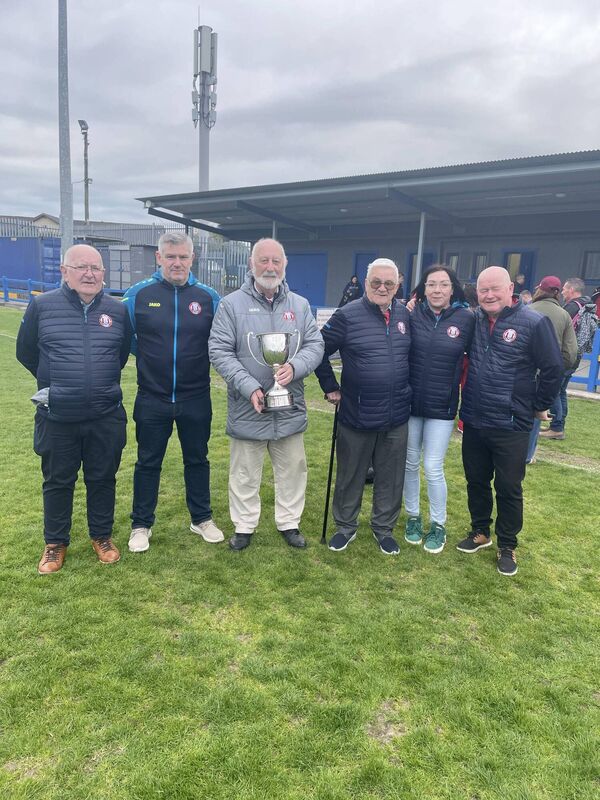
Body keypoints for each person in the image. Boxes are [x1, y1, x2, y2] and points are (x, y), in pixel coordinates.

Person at [16, 244, 132, 574]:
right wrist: (59, 384)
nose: (89, 273)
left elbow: (120, 356)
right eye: (81, 267)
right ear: (64, 271)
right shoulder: (42, 305)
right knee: (57, 480)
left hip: (105, 415)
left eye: (95, 268)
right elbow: (26, 353)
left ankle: (102, 536)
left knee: (102, 478)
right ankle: (55, 544)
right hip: (58, 417)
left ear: (103, 274)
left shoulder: (118, 311)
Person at [208, 238, 324, 550]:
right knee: (244, 472)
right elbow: (219, 351)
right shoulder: (230, 305)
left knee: (293, 470)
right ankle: (244, 526)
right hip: (249, 407)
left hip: (289, 406)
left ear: (285, 267)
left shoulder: (299, 305)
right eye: (264, 261)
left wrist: (295, 367)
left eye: (276, 262)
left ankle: (289, 522)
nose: (270, 267)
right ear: (251, 264)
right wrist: (248, 386)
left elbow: (316, 345)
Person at [122, 231, 223, 553]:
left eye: (183, 257)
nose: (177, 263)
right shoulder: (138, 295)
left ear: (192, 259)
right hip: (152, 397)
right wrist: (154, 361)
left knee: (198, 459)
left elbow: (218, 342)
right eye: (171, 257)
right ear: (159, 258)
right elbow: (129, 340)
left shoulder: (209, 297)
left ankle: (202, 518)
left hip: (196, 397)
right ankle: (141, 525)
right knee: (148, 462)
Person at [457, 266, 562, 576]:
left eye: (494, 289)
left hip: (511, 423)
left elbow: (554, 367)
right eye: (483, 290)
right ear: (476, 293)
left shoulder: (533, 321)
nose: (489, 295)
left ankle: (507, 544)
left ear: (510, 290)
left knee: (508, 486)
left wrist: (538, 405)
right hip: (475, 418)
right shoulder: (473, 320)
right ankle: (480, 532)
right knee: (476, 480)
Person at [315, 258, 411, 555]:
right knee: (351, 473)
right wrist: (331, 387)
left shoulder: (406, 315)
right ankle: (345, 526)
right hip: (356, 413)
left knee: (391, 476)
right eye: (376, 282)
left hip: (396, 415)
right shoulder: (346, 315)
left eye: (389, 283)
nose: (382, 288)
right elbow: (318, 350)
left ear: (397, 286)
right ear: (365, 283)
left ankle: (384, 528)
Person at [404, 265, 474, 553]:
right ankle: (413, 517)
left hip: (442, 407)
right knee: (409, 464)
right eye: (431, 284)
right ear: (423, 288)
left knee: (433, 467)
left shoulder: (467, 319)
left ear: (452, 288)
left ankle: (438, 523)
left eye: (443, 284)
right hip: (409, 405)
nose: (437, 290)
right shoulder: (410, 314)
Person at [526, 276, 578, 462]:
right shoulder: (564, 315)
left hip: (526, 372)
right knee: (537, 413)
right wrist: (557, 371)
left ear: (540, 289)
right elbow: (570, 352)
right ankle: (528, 454)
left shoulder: (527, 310)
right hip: (549, 372)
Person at [540, 277, 594, 440]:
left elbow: (559, 329)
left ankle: (556, 427)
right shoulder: (587, 305)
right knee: (561, 391)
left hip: (566, 354)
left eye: (564, 288)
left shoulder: (571, 307)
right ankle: (559, 425)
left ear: (571, 290)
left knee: (555, 390)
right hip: (577, 355)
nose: (562, 291)